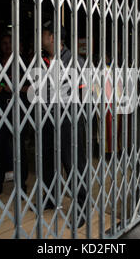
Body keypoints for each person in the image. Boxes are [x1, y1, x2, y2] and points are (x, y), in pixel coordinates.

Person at [40, 20, 87, 228]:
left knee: (73, 162)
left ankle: (81, 208)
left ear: (52, 37)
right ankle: (49, 198)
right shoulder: (41, 60)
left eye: (42, 34)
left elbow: (84, 93)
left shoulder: (75, 60)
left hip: (70, 119)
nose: (39, 38)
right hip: (47, 117)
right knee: (48, 159)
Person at [0, 31, 28, 196]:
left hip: (18, 110)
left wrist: (13, 88)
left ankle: (21, 186)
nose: (7, 46)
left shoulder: (23, 63)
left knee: (18, 148)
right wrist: (2, 83)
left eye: (9, 42)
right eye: (4, 43)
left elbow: (31, 88)